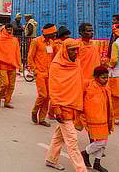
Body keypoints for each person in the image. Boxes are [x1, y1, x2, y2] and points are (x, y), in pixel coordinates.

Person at [45, 39, 87, 172]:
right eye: (72, 50)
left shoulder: (77, 63)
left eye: (76, 49)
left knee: (60, 135)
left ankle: (51, 159)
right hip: (62, 108)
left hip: (74, 104)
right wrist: (56, 108)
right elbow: (54, 89)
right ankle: (81, 169)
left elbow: (80, 82)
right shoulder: (56, 66)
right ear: (65, 51)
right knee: (72, 141)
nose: (76, 52)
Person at [80, 66, 114, 172]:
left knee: (104, 141)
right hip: (94, 119)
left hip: (105, 118)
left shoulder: (106, 87)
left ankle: (97, 163)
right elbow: (88, 104)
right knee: (101, 141)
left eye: (107, 77)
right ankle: (85, 153)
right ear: (95, 77)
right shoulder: (90, 86)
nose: (106, 79)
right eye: (103, 77)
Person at [28, 24, 57, 126]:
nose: (55, 34)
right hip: (40, 72)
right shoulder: (36, 41)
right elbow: (30, 57)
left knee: (48, 96)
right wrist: (34, 70)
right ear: (48, 33)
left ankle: (42, 119)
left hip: (50, 74)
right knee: (43, 95)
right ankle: (35, 111)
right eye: (53, 33)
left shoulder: (52, 43)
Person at [0, 24, 21, 109]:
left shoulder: (14, 40)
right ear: (4, 29)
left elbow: (17, 52)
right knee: (5, 83)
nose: (9, 31)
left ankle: (7, 102)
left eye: (10, 29)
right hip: (2, 65)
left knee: (11, 85)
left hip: (12, 65)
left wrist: (19, 63)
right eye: (7, 29)